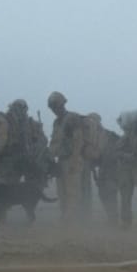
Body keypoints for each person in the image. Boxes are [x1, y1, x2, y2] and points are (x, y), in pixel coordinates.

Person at [47, 91, 86, 224]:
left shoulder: (72, 118)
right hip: (61, 160)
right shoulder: (57, 122)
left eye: (55, 105)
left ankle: (72, 219)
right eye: (52, 107)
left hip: (72, 159)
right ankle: (65, 217)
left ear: (62, 104)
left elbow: (78, 140)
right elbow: (54, 142)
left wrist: (75, 160)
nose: (54, 109)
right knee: (62, 191)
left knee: (72, 191)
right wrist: (51, 160)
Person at [89, 113, 120, 226]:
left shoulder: (110, 135)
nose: (92, 123)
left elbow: (119, 147)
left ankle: (114, 219)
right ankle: (111, 217)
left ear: (98, 121)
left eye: (94, 121)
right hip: (101, 170)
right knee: (102, 194)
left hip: (112, 169)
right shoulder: (90, 137)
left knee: (111, 193)